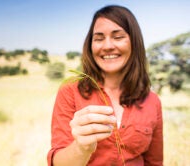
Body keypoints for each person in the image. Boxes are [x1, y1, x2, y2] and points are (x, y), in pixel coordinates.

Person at [47, 5, 163, 166]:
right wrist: (81, 147)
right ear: (90, 45)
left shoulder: (152, 101)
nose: (107, 46)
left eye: (118, 37)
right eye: (99, 38)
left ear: (134, 42)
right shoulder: (70, 92)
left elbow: (154, 162)